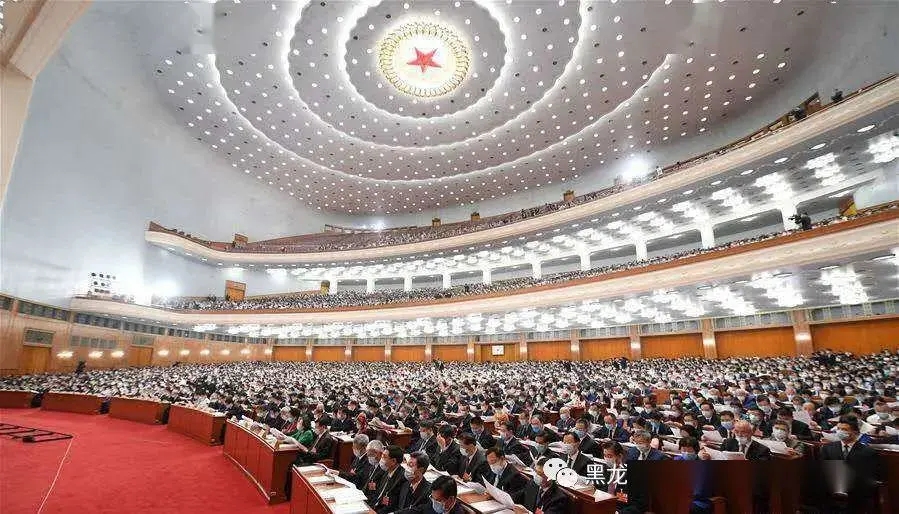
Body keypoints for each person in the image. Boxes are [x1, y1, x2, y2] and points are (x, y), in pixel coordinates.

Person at [817, 415, 882, 511]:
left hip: (856, 496)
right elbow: (822, 472)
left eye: (844, 429)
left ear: (855, 432)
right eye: (838, 428)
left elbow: (869, 476)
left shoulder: (868, 452)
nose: (840, 431)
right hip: (831, 493)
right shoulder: (828, 448)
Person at [601, 441, 648, 514]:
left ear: (620, 456)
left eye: (610, 456)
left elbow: (639, 505)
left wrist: (619, 513)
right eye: (605, 456)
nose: (606, 459)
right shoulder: (604, 471)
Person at [370, 445, 407, 513]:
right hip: (374, 507)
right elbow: (377, 493)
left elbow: (392, 506)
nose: (381, 459)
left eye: (384, 457)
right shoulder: (386, 470)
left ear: (393, 461)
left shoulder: (401, 478)